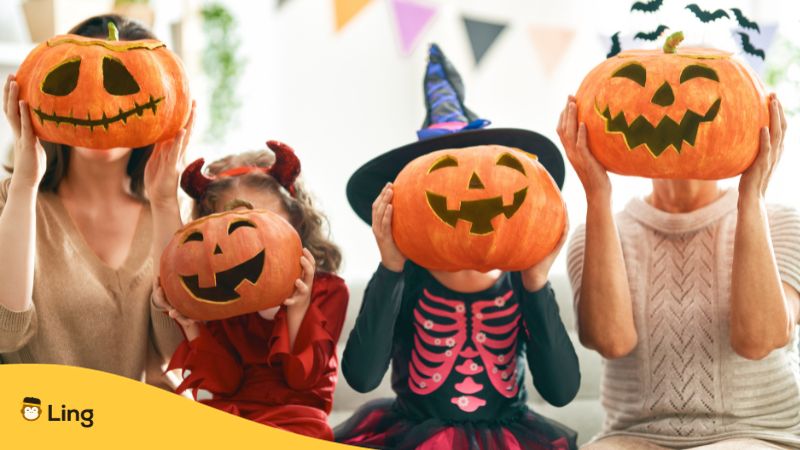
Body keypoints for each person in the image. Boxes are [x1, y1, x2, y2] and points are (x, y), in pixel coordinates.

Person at [335, 44, 580, 450]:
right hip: (413, 433)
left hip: (510, 435)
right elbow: (362, 377)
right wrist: (390, 267)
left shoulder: (522, 279)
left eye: (488, 174)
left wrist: (537, 283)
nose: (470, 189)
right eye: (443, 174)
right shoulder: (407, 276)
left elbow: (561, 390)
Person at [560, 92, 800, 449]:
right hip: (632, 437)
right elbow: (612, 341)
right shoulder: (595, 232)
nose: (668, 105)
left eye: (694, 98)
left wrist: (751, 197)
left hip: (757, 433)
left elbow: (758, 339)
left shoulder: (780, 222)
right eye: (652, 100)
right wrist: (597, 195)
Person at [0, 14, 190, 387]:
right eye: (75, 80)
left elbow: (176, 350)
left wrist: (167, 205)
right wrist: (24, 186)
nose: (97, 102)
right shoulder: (13, 199)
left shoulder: (169, 212)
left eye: (121, 83)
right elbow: (7, 333)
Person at [158, 141, 348, 440]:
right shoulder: (224, 299)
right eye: (231, 228)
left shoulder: (328, 290)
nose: (251, 242)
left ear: (294, 219)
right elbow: (224, 384)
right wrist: (190, 324)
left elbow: (303, 380)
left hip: (296, 423)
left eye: (260, 222)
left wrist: (297, 309)